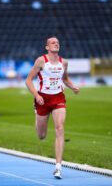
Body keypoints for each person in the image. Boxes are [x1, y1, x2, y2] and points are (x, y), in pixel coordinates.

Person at [25, 36, 79, 179]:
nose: (56, 44)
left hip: (58, 98)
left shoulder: (64, 62)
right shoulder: (41, 60)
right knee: (41, 135)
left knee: (59, 127)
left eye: (57, 42)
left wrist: (73, 86)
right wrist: (36, 95)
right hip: (42, 99)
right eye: (52, 42)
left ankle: (58, 167)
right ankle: (36, 112)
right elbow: (28, 80)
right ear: (47, 47)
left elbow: (65, 78)